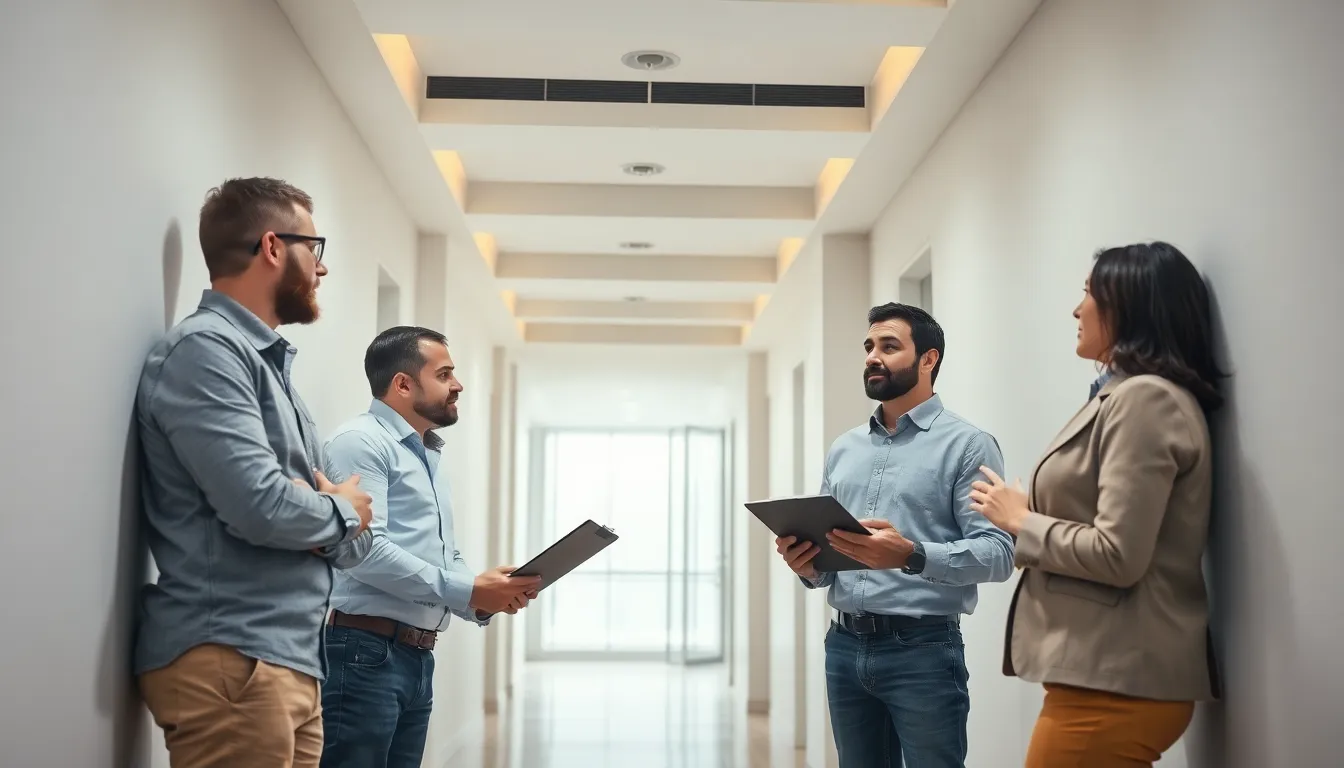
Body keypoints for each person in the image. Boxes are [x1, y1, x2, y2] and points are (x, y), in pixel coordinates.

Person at [135, 177, 375, 768]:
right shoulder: (207, 351)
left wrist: (329, 516)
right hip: (234, 661)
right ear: (273, 247)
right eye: (313, 249)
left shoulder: (268, 368)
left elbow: (351, 545)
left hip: (286, 663)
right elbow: (263, 508)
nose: (322, 270)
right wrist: (340, 509)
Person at [969, 241, 1224, 768]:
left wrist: (1022, 521)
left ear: (1129, 307)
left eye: (1089, 293)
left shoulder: (1145, 400)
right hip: (1100, 679)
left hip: (1115, 686)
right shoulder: (1122, 395)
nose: (1077, 308)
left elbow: (1118, 554)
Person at [775, 302, 1016, 768]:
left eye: (889, 346)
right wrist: (808, 566)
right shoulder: (844, 448)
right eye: (869, 346)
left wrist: (911, 554)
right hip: (843, 648)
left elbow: (999, 554)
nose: (872, 356)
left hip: (923, 653)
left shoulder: (968, 444)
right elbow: (831, 556)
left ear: (929, 360)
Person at [318, 326, 542, 768]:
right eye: (445, 374)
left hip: (416, 657)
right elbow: (364, 551)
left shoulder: (427, 452)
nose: (458, 385)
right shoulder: (361, 442)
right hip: (363, 653)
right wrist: (466, 590)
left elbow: (441, 551)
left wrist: (482, 596)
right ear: (403, 384)